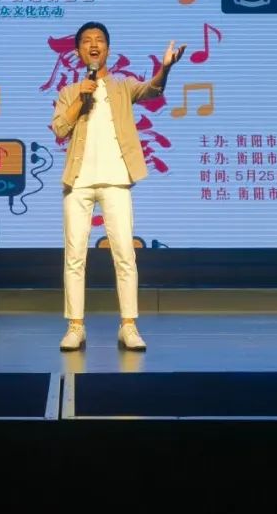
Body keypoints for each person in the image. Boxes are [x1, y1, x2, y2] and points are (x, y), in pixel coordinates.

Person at [50, 22, 185, 351]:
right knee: (74, 257)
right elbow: (60, 129)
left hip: (116, 180)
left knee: (125, 254)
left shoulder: (124, 86)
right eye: (86, 41)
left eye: (99, 40)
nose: (93, 45)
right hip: (78, 183)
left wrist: (166, 68)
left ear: (107, 49)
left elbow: (152, 90)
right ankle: (75, 326)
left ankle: (128, 325)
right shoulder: (70, 91)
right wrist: (81, 98)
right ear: (79, 52)